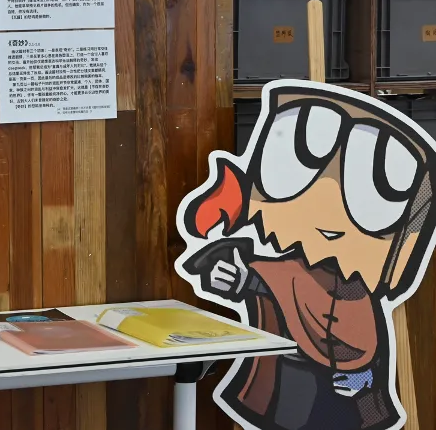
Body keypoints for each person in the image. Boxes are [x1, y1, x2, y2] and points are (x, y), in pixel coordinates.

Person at [177, 82, 436, 430]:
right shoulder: (290, 269)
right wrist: (236, 277)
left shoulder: (358, 288)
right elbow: (274, 281)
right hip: (287, 396)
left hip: (345, 405)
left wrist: (366, 378)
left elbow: (361, 338)